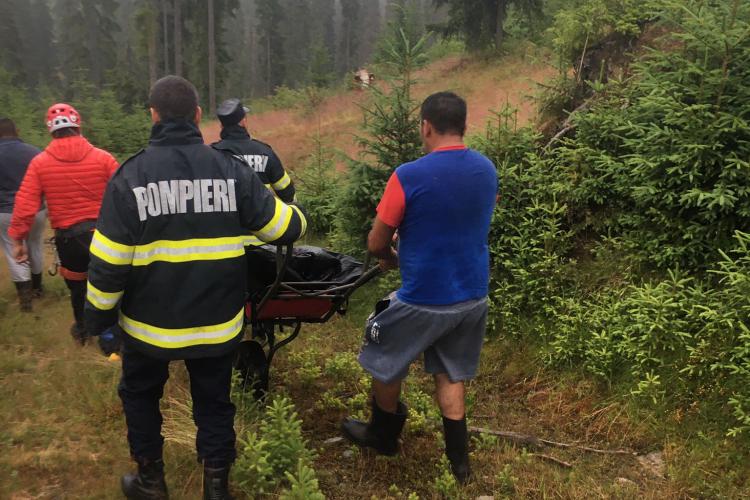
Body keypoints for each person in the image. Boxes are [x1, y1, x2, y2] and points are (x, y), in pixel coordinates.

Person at [84, 76, 307, 499]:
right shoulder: (230, 171)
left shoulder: (129, 178)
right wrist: (299, 215)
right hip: (217, 326)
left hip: (149, 330)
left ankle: (151, 480)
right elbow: (282, 227)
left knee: (139, 394)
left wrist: (99, 321)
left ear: (152, 115)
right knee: (214, 401)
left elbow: (108, 265)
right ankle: (217, 487)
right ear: (198, 116)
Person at [341, 92, 497, 484]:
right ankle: (460, 467)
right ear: (464, 125)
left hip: (424, 298)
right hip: (473, 296)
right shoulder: (486, 169)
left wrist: (391, 257)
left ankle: (383, 434)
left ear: (425, 126)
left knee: (382, 351)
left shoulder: (408, 175)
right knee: (450, 374)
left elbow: (377, 242)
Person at [9, 104, 118, 345]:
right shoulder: (104, 158)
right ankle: (111, 335)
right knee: (110, 284)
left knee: (78, 289)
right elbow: (123, 196)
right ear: (78, 125)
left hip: (69, 239)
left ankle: (83, 331)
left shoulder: (40, 163)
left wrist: (18, 241)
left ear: (50, 130)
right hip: (105, 235)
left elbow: (25, 204)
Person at [0, 117, 45, 312]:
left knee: (13, 250)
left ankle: (26, 300)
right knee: (35, 245)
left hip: (5, 211)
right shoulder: (34, 152)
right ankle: (38, 288)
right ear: (17, 131)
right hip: (37, 210)